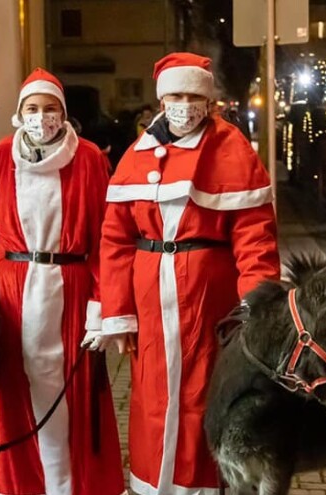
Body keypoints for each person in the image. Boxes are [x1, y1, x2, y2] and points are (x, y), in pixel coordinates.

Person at [0, 68, 125, 495]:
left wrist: (102, 305)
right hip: (15, 292)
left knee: (75, 398)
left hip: (71, 290)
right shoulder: (4, 157)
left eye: (50, 108)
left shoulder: (87, 158)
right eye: (32, 108)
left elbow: (108, 238)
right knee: (15, 397)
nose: (41, 116)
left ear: (63, 113)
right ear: (19, 113)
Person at [99, 52, 281, 494]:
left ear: (208, 100)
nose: (185, 105)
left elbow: (255, 239)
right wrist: (118, 313)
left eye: (194, 96)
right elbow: (115, 239)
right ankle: (151, 486)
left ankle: (201, 486)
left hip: (208, 297)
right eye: (176, 96)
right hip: (149, 301)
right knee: (150, 398)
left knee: (204, 393)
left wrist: (253, 311)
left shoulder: (231, 149)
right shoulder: (137, 154)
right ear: (162, 100)